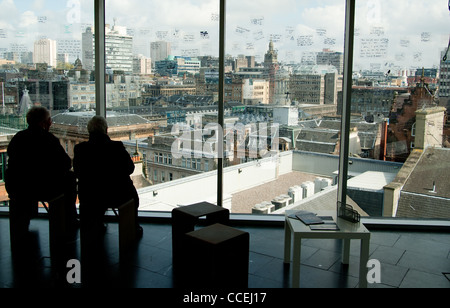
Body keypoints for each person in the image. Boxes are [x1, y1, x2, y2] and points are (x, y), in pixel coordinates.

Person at [5, 106, 78, 238]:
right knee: (70, 178)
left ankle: (24, 219)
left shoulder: (18, 138)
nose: (51, 122)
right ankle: (69, 219)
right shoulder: (49, 139)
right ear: (43, 123)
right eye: (49, 120)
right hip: (45, 188)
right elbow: (66, 163)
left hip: (20, 187)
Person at [73, 115, 143, 238]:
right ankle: (132, 226)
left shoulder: (80, 149)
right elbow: (130, 168)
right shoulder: (117, 147)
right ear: (106, 130)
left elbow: (77, 172)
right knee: (133, 197)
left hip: (90, 196)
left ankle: (97, 224)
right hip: (117, 195)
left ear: (89, 131)